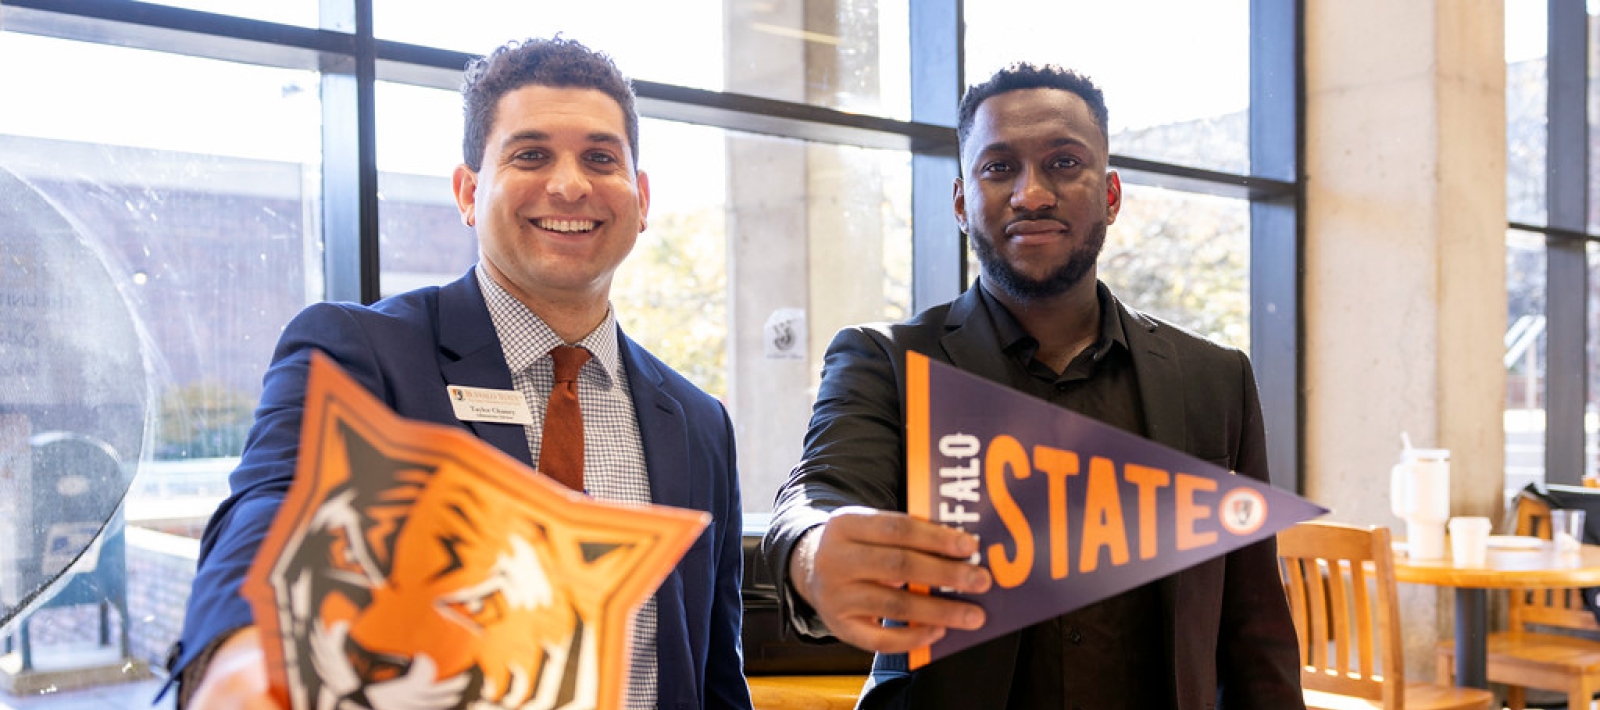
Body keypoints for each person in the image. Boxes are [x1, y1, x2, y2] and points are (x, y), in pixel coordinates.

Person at [168, 37, 752, 710]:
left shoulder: (698, 422)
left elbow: (713, 674)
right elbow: (272, 512)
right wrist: (245, 651)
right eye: (530, 154)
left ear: (641, 199)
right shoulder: (361, 356)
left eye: (600, 157)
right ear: (470, 191)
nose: (569, 184)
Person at [761, 63, 1304, 709]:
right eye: (999, 168)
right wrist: (814, 550)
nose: (1032, 193)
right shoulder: (886, 362)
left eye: (1064, 162)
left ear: (1111, 194)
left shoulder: (1215, 380)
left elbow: (1255, 633)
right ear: (963, 203)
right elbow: (821, 493)